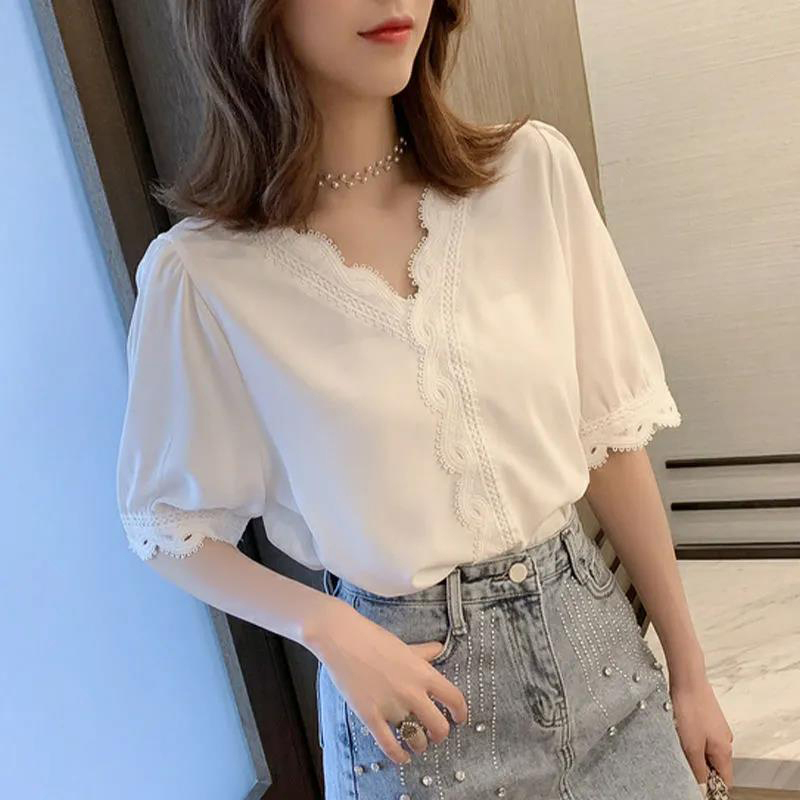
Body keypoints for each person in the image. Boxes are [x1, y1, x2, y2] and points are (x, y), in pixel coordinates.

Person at [115, 1, 734, 797]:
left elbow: (610, 438)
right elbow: (165, 526)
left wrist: (689, 670)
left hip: (601, 657)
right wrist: (326, 626)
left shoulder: (530, 175)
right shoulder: (204, 276)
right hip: (415, 709)